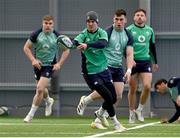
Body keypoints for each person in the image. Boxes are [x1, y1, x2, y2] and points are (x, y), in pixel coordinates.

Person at [76, 9, 134, 129]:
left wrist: (129, 70)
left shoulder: (128, 34)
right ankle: (101, 118)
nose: (119, 22)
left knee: (117, 96)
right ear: (113, 19)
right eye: (116, 19)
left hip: (117, 67)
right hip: (104, 67)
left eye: (121, 19)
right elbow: (98, 45)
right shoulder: (106, 32)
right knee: (108, 95)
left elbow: (129, 54)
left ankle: (99, 113)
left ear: (125, 20)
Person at [23, 15, 70, 123]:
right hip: (38, 66)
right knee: (42, 90)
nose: (48, 25)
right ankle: (48, 100)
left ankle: (30, 115)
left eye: (50, 23)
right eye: (46, 23)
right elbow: (26, 47)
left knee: (39, 89)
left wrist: (59, 64)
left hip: (49, 66)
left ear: (53, 24)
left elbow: (66, 50)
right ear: (42, 23)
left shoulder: (58, 37)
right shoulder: (36, 34)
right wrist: (33, 60)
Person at [126, 8, 159, 123]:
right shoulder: (129, 29)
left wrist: (155, 62)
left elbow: (152, 47)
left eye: (142, 15)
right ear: (134, 17)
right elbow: (124, 47)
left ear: (145, 18)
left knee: (147, 86)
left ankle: (140, 109)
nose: (140, 17)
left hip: (145, 62)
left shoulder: (150, 30)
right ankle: (131, 112)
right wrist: (129, 60)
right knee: (133, 88)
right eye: (137, 15)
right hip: (133, 62)